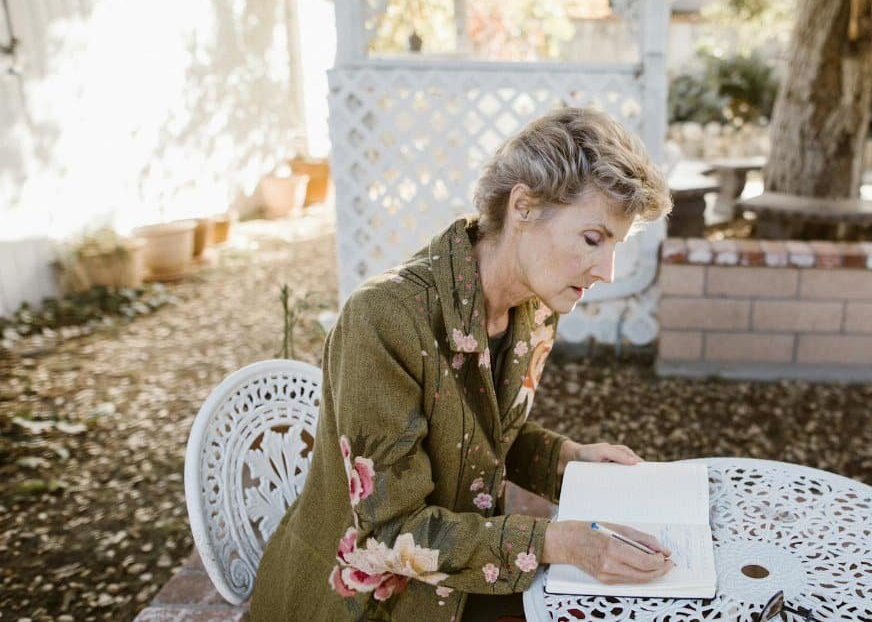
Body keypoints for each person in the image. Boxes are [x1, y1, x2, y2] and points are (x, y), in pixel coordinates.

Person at [249, 107, 675, 621]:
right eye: (593, 238)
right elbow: (391, 531)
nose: (607, 272)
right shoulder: (384, 319)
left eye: (615, 247)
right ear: (524, 206)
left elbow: (483, 436)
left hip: (467, 579)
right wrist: (559, 542)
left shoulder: (535, 307)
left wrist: (567, 458)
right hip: (366, 606)